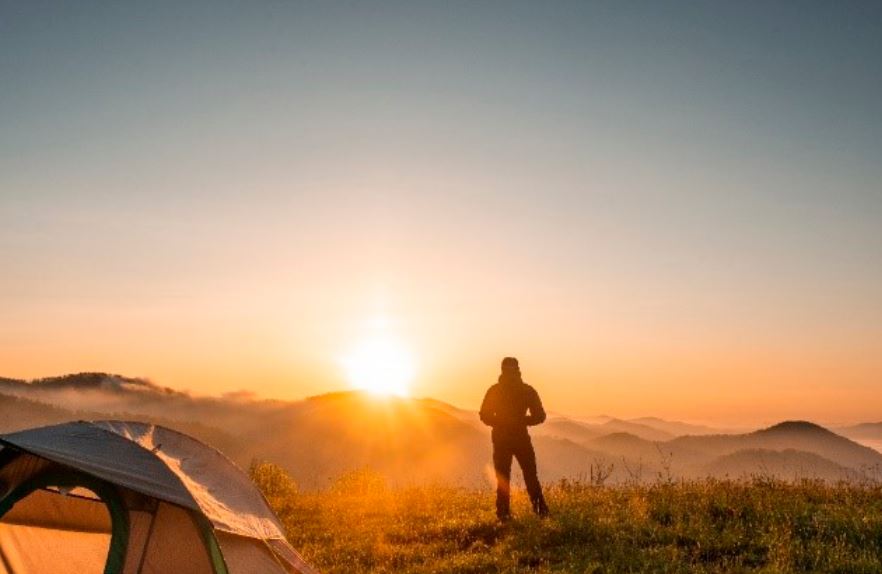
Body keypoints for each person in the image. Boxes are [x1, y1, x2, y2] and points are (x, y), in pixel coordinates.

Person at [479, 356, 549, 520]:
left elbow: (484, 415)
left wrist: (501, 422)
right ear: (518, 369)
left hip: (501, 438)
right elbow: (540, 416)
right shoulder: (527, 390)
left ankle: (503, 516)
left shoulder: (495, 390)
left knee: (503, 478)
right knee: (530, 476)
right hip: (520, 438)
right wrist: (522, 421)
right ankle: (541, 512)